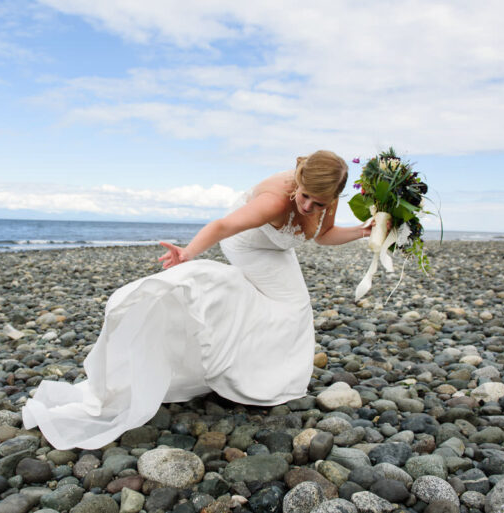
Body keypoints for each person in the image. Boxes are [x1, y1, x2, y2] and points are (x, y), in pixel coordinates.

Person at [22, 150, 374, 450]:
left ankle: (262, 377)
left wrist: (363, 230)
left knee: (293, 308)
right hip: (248, 244)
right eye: (306, 196)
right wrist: (188, 251)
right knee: (262, 300)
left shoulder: (327, 196)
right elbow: (223, 227)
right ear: (299, 179)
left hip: (278, 248)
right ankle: (231, 370)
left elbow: (323, 235)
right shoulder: (275, 200)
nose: (309, 205)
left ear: (333, 195)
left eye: (320, 202)